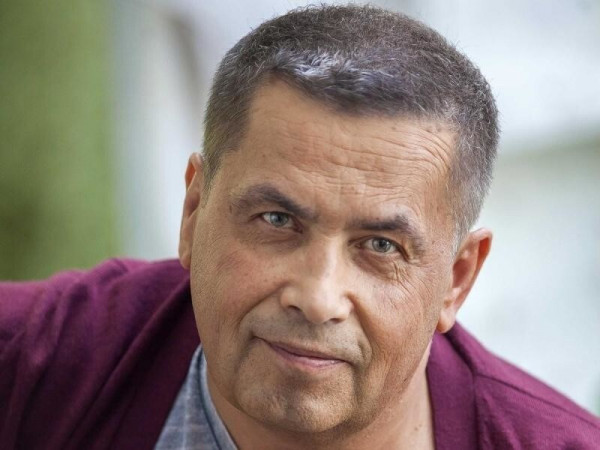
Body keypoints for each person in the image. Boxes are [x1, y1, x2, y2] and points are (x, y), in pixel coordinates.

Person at [1, 4, 598, 450]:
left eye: (380, 245)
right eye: (277, 220)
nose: (317, 298)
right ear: (194, 211)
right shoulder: (42, 363)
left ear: (457, 278)